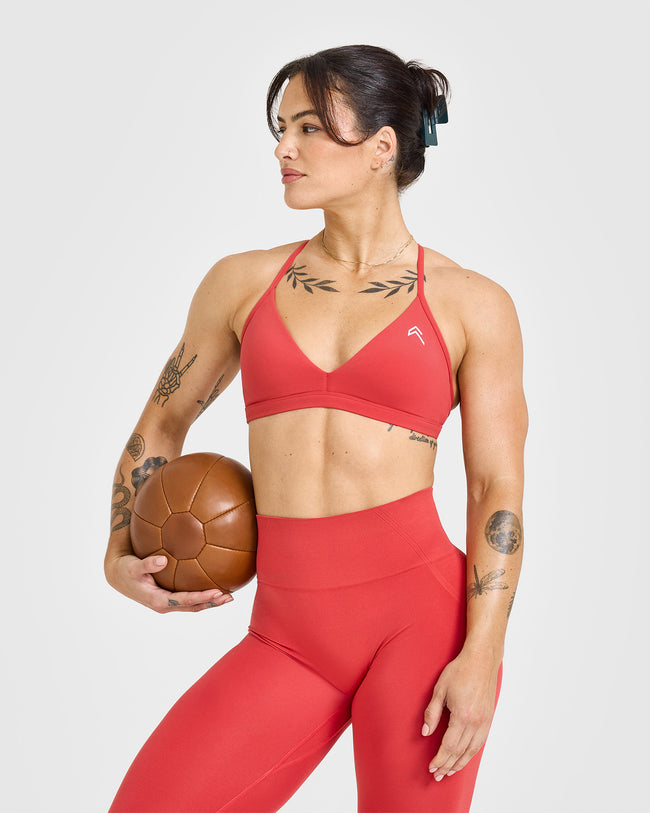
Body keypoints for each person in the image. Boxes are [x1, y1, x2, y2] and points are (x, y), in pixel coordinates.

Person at [105, 44, 527, 813]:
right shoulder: (242, 283)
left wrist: (482, 652)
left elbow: (495, 488)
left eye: (308, 128)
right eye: (281, 129)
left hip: (423, 629)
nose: (283, 149)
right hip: (288, 632)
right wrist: (117, 548)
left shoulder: (471, 303)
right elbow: (163, 419)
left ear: (381, 147)